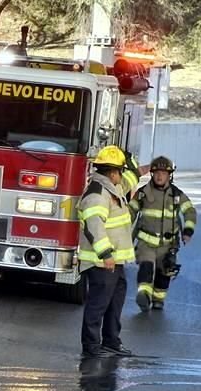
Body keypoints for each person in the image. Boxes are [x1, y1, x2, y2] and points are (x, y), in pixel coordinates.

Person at [78, 145, 136, 358]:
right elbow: (94, 225)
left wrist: (133, 164)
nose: (122, 174)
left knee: (114, 304)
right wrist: (106, 254)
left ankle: (111, 341)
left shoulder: (113, 188)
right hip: (101, 262)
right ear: (113, 173)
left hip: (114, 262)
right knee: (98, 306)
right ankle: (91, 348)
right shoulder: (98, 193)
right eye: (121, 170)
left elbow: (133, 177)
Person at [129, 156, 197, 311]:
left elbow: (190, 211)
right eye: (156, 173)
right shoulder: (143, 193)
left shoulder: (177, 195)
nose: (159, 176)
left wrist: (188, 231)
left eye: (163, 173)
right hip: (146, 243)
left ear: (169, 175)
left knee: (163, 273)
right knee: (146, 267)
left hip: (168, 245)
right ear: (152, 174)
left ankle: (158, 299)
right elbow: (130, 211)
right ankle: (143, 295)